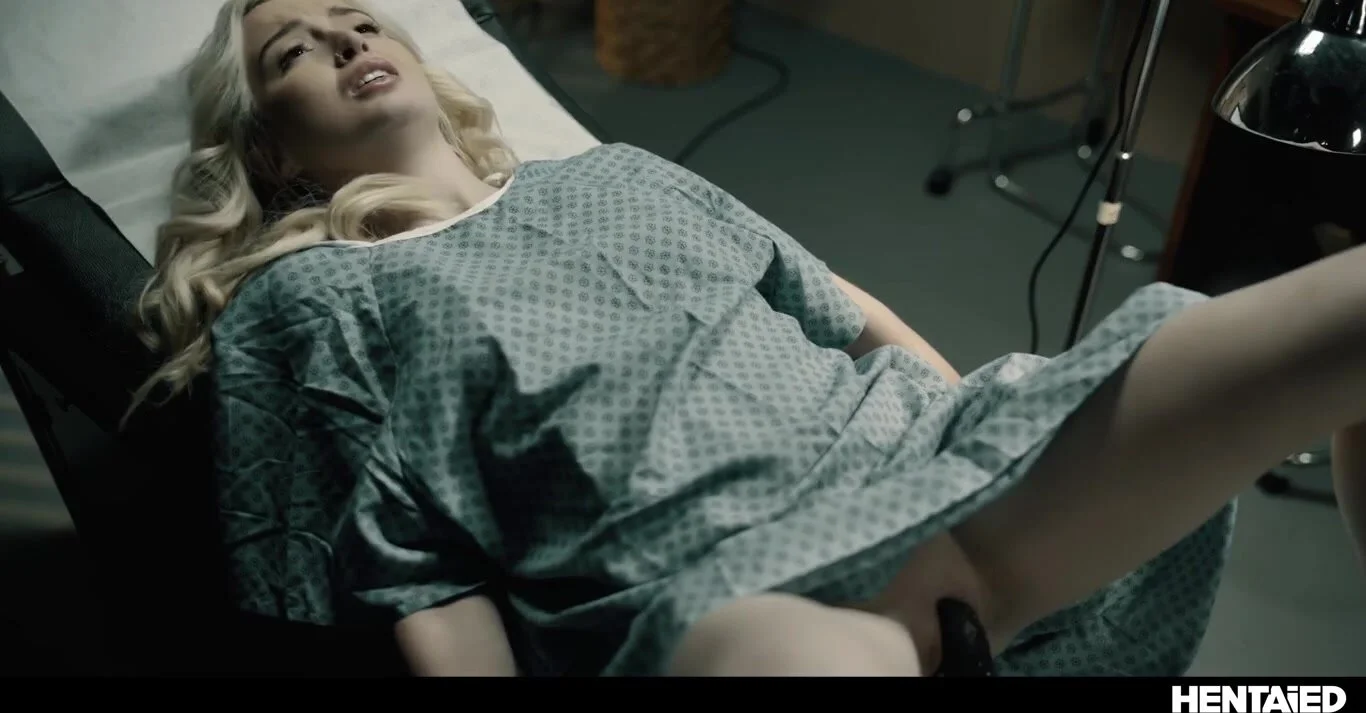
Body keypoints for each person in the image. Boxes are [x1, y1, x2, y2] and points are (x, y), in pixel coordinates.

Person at [128, 0, 1366, 677]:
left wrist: (979, 439)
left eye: (358, 17)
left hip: (954, 480)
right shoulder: (309, 305)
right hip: (743, 592)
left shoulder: (613, 172)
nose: (345, 39)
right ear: (272, 152)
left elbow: (846, 311)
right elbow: (414, 576)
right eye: (292, 51)